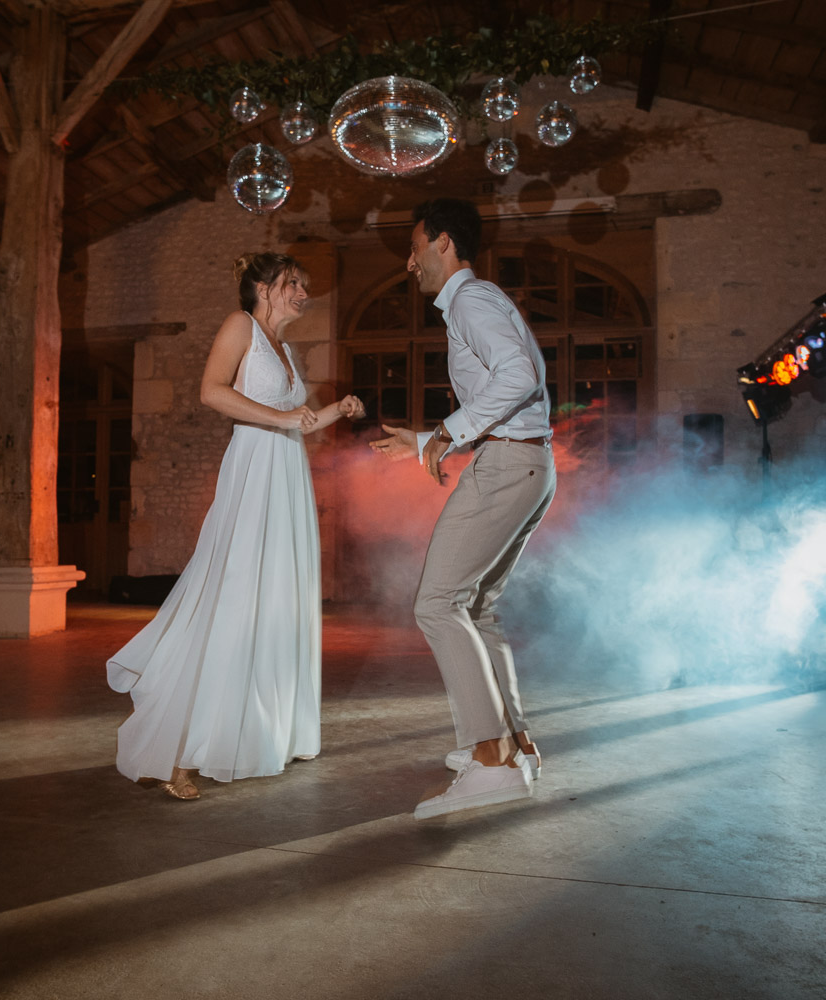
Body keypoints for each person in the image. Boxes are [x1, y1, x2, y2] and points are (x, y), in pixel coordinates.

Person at [106, 251, 364, 800]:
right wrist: (282, 419)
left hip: (287, 476)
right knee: (234, 595)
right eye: (294, 284)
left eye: (303, 285)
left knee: (277, 599)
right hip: (252, 470)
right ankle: (179, 748)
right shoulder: (238, 325)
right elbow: (212, 392)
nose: (302, 294)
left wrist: (338, 409)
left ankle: (266, 732)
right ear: (265, 287)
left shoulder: (286, 349)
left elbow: (302, 419)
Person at [370, 198, 557, 820]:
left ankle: (491, 760)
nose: (409, 260)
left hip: (506, 466)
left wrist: (447, 433)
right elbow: (506, 389)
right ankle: (515, 744)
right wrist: (429, 439)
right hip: (525, 463)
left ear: (443, 243)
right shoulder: (477, 304)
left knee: (437, 602)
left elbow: (519, 375)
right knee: (477, 607)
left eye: (416, 246)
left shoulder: (472, 301)